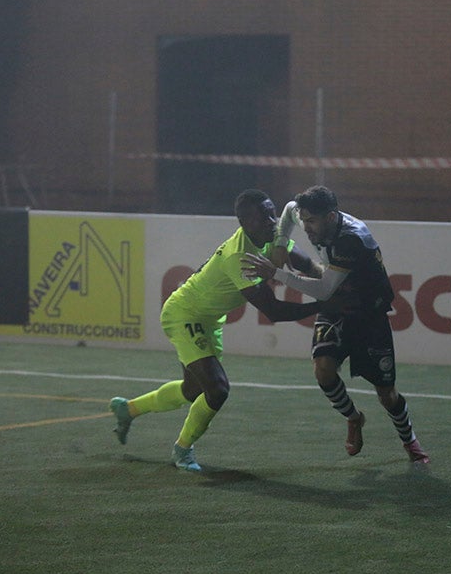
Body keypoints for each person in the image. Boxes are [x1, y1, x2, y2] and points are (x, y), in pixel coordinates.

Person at [109, 189, 327, 472]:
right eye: (264, 217)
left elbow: (307, 265)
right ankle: (182, 449)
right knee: (217, 389)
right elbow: (273, 310)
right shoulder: (239, 257)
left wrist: (333, 280)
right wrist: (325, 305)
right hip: (184, 314)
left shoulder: (273, 236)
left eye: (273, 213)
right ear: (246, 223)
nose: (273, 221)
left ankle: (129, 409)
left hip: (209, 319)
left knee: (192, 390)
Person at [242, 185, 430, 466]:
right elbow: (289, 209)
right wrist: (281, 241)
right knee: (323, 370)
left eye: (312, 222)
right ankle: (354, 418)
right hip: (338, 307)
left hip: (368, 313)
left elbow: (323, 290)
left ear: (330, 217)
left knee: (387, 395)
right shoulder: (309, 215)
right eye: (304, 221)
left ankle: (410, 441)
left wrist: (277, 273)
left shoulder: (351, 239)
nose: (306, 228)